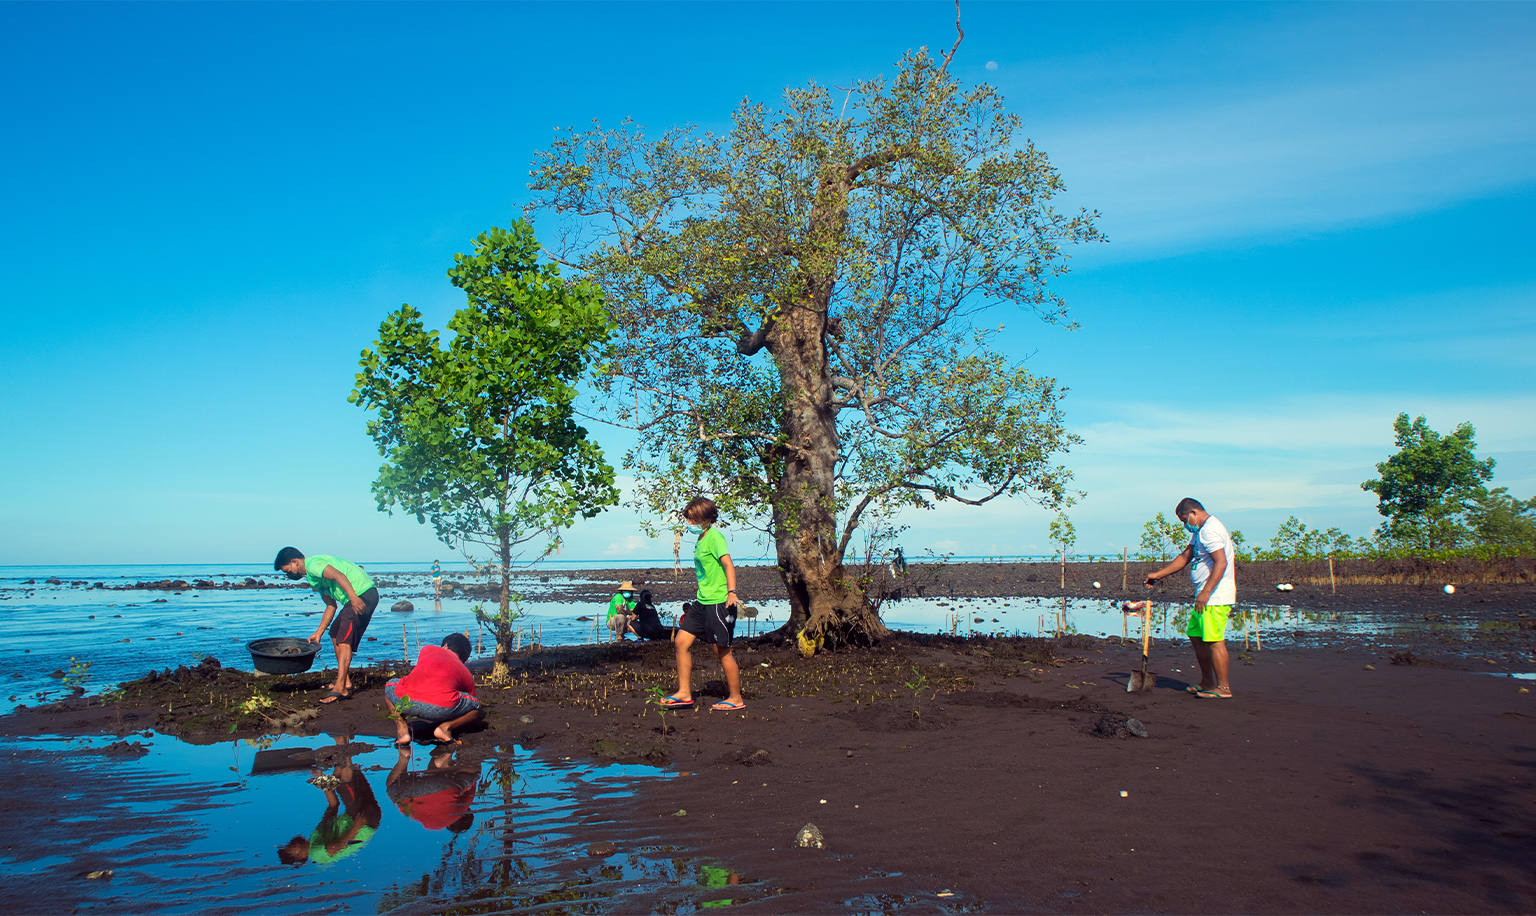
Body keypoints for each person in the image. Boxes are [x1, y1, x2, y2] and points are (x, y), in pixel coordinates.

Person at [1144, 497, 1238, 699]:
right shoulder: (1201, 532)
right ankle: (1207, 682)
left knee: (1213, 640)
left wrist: (1206, 592)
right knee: (1196, 636)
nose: (1184, 524)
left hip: (1215, 596)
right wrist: (1158, 575)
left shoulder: (1211, 530)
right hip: (1204, 597)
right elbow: (1185, 557)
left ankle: (1223, 688)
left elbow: (1220, 563)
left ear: (1193, 513)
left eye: (1184, 519)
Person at [662, 497, 746, 712]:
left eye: (693, 519)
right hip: (701, 602)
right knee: (681, 642)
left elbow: (728, 565)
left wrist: (732, 592)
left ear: (706, 518)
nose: (689, 523)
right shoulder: (702, 537)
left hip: (719, 602)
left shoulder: (715, 537)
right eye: (688, 519)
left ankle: (735, 698)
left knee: (722, 651)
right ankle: (684, 693)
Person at [274, 547, 379, 704]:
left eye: (288, 571)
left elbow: (338, 575)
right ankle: (346, 682)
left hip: (362, 593)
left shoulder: (312, 565)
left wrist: (354, 598)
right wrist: (319, 632)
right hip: (353, 598)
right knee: (335, 633)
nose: (289, 575)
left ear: (294, 562)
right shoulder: (313, 578)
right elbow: (331, 606)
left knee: (344, 639)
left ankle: (340, 688)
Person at [277, 741, 382, 866]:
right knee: (345, 780)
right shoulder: (316, 853)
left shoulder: (316, 837)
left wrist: (320, 779)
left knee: (337, 777)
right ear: (299, 855)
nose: (293, 843)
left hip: (362, 817)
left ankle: (343, 741)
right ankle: (342, 742)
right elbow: (335, 849)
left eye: (291, 844)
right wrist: (356, 828)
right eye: (293, 847)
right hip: (362, 821)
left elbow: (333, 805)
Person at [385, 633, 484, 746]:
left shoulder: (427, 649)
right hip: (441, 709)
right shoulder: (466, 672)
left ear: (445, 645)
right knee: (476, 706)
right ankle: (445, 728)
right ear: (464, 658)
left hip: (408, 702)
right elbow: (472, 701)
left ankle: (402, 729)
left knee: (390, 685)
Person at [386, 745, 477, 833]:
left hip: (442, 786)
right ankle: (404, 757)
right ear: (448, 826)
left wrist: (470, 775)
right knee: (392, 786)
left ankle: (444, 757)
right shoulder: (430, 825)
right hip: (404, 795)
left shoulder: (458, 812)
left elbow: (472, 788)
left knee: (473, 772)